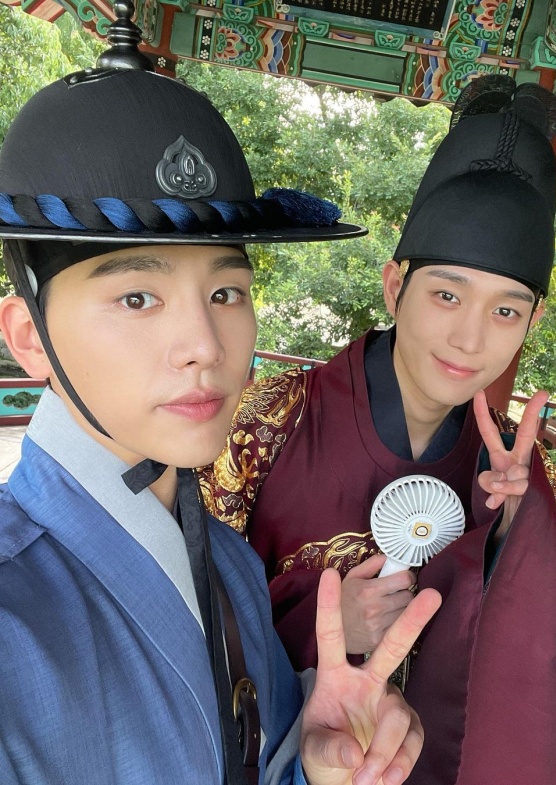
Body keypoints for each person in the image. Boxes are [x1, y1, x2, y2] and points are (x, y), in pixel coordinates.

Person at [0, 8, 443, 785]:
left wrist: (314, 761)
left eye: (227, 292)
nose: (205, 344)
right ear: (29, 336)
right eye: (137, 296)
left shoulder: (230, 561)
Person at [202, 75, 556, 785]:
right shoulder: (268, 422)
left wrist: (519, 534)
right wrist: (318, 624)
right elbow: (175, 590)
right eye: (447, 294)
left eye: (506, 310)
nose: (470, 338)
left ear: (532, 321)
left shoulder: (518, 473)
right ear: (395, 286)